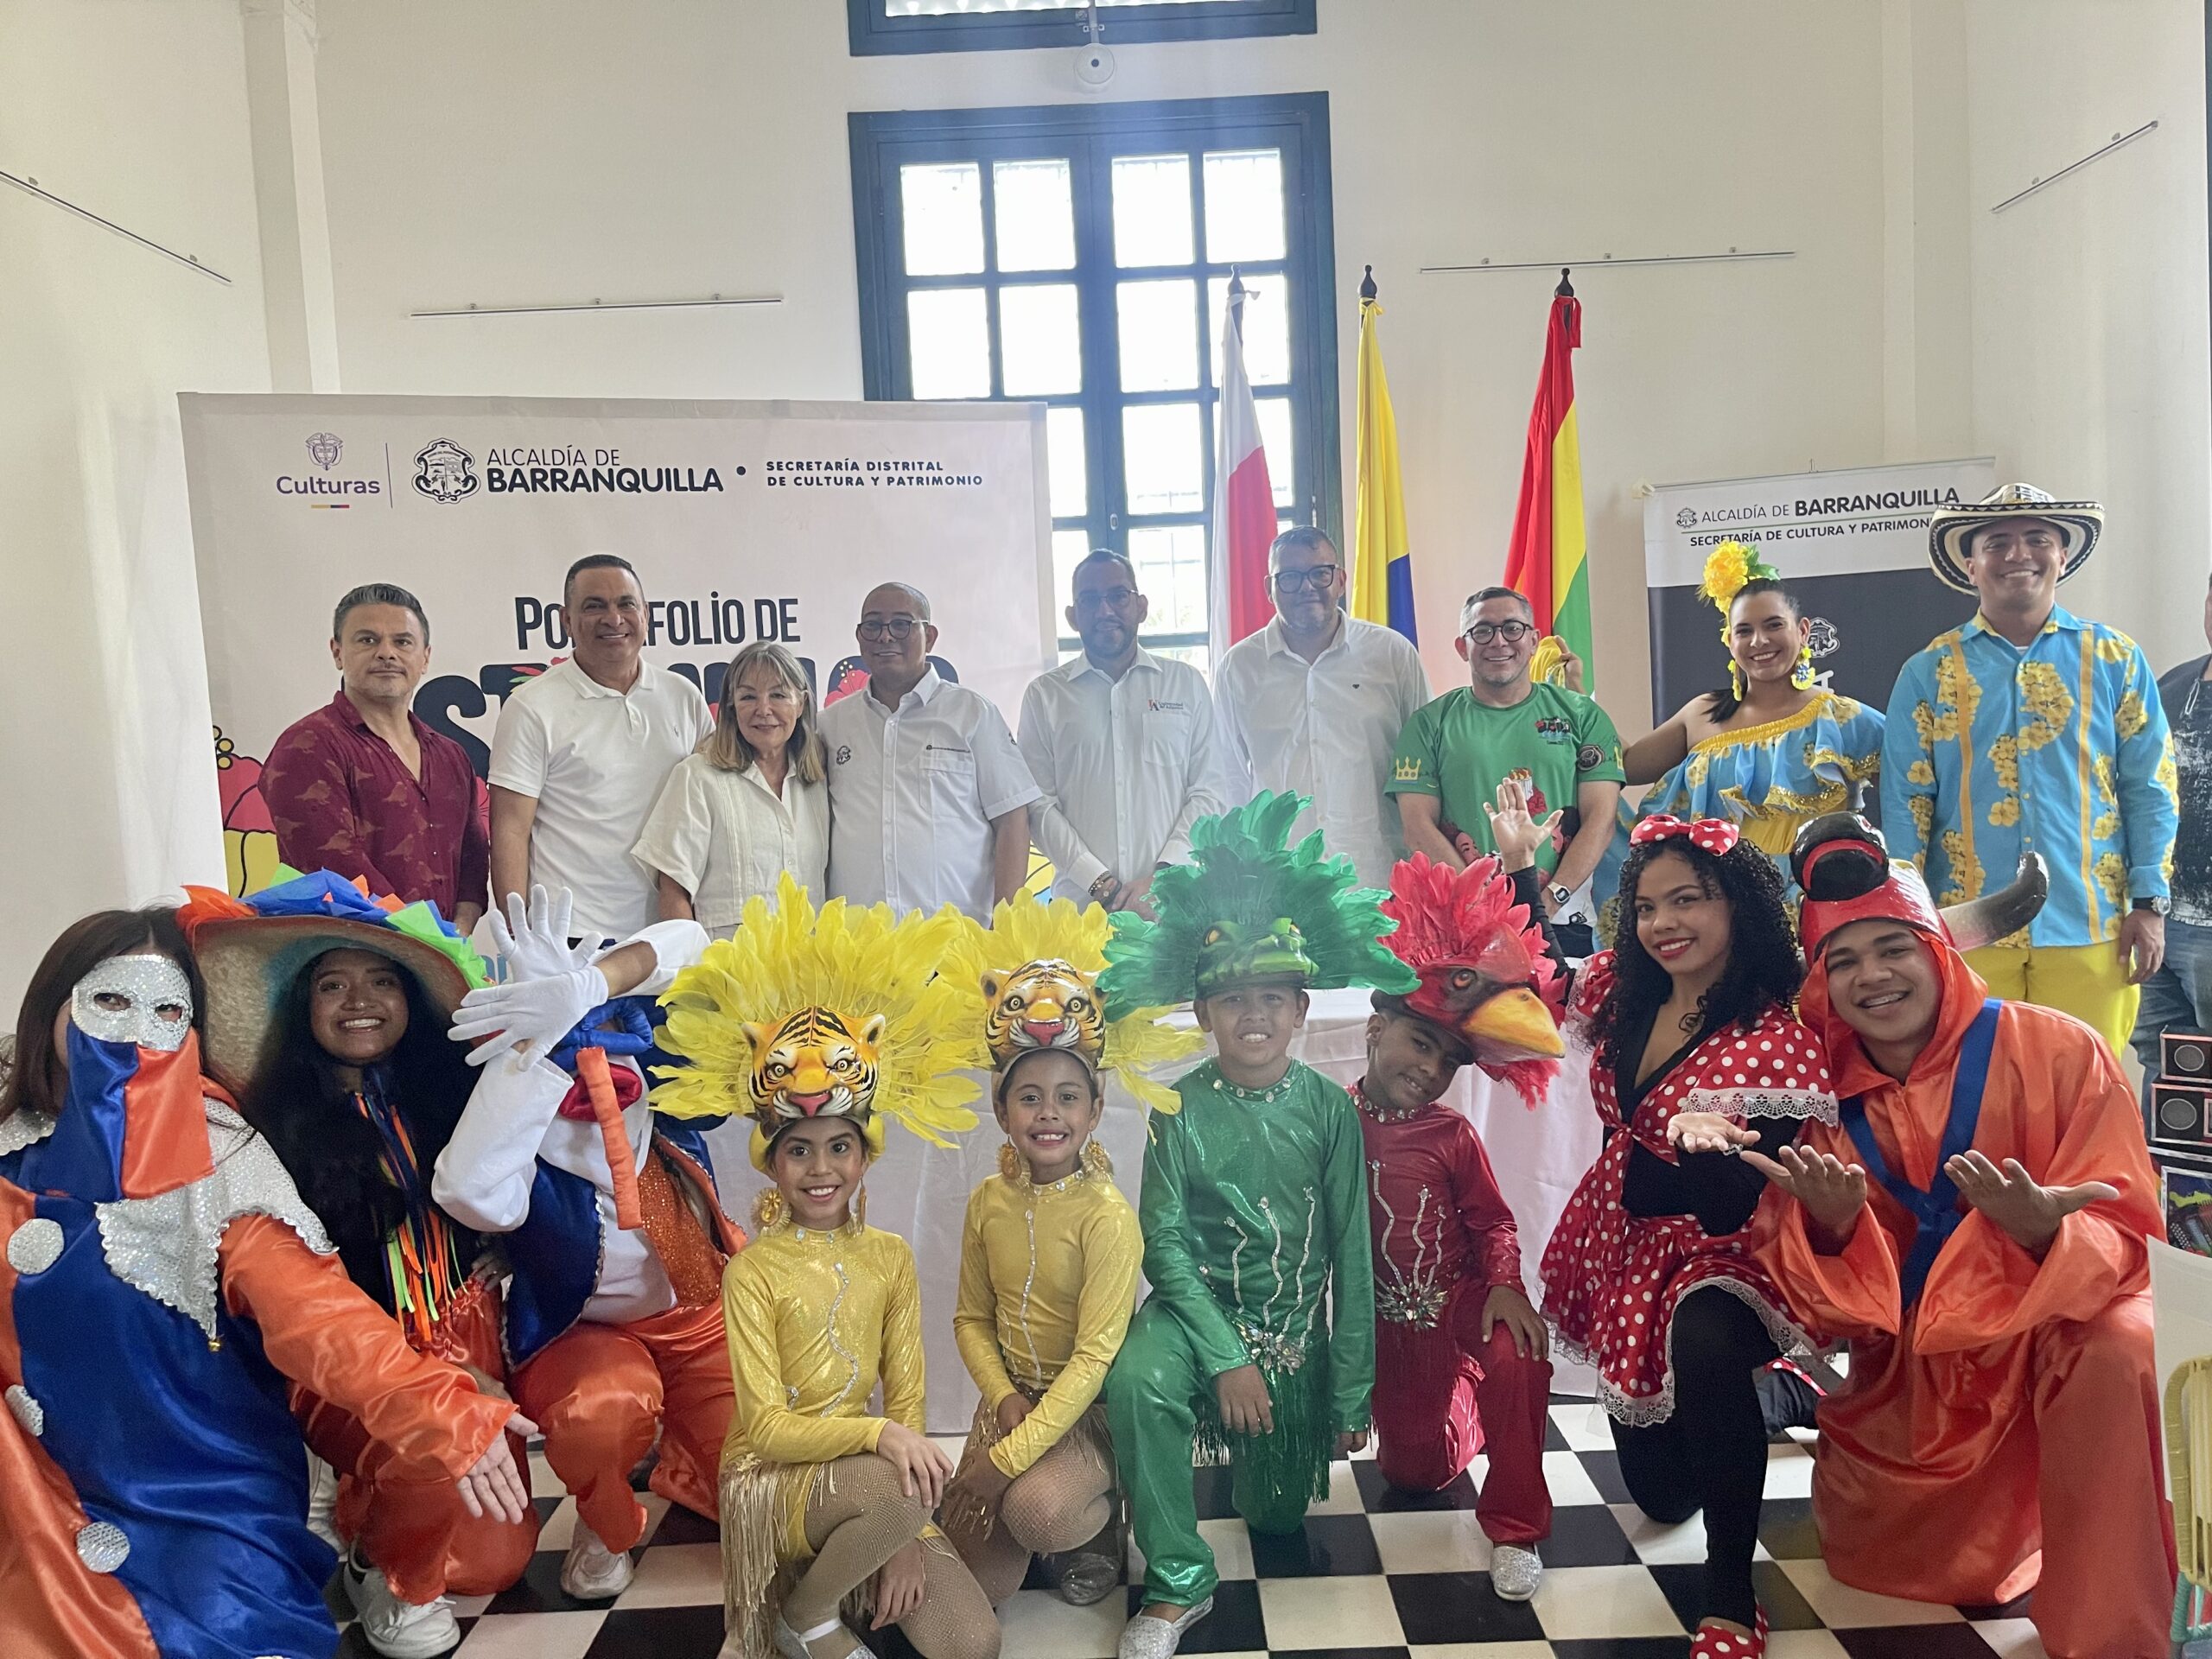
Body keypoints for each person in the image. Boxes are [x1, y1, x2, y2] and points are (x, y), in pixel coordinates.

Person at [0, 906, 531, 1659]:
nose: (132, 1030)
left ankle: (377, 1556)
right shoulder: (272, 1114)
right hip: (30, 1497)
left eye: (164, 1008)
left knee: (485, 1557)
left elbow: (312, 1309)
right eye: (110, 998)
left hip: (211, 1486)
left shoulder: (227, 1155)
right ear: (53, 1001)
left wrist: (440, 1402)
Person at [1749, 812, 2172, 1658]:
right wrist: (1832, 1232)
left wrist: (2046, 1239)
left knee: (2121, 1348)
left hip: (2052, 1330)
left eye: (1892, 948)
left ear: (1938, 951)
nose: (1872, 977)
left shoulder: (2061, 1050)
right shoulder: (1815, 1103)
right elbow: (1819, 1315)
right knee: (1883, 1561)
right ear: (1820, 985)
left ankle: (2108, 1632)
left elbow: (2132, 1244)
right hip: (1912, 1374)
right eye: (1843, 961)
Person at [186, 871, 537, 1657]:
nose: (360, 1002)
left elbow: (513, 1197)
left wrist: (504, 1252)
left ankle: (366, 1514)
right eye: (333, 985)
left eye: (382, 980)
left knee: (495, 1563)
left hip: (466, 1339)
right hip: (348, 1367)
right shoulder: (260, 1130)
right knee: (431, 1462)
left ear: (411, 997)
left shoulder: (451, 1097)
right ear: (300, 1005)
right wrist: (439, 1384)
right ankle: (387, 1571)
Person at [648, 874, 997, 1659]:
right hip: (772, 1485)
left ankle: (859, 1554)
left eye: (840, 1147)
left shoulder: (890, 1257)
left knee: (972, 1644)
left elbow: (908, 1394)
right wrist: (884, 1452)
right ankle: (802, 1615)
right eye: (798, 1150)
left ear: (864, 1156)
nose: (820, 1169)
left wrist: (900, 1537)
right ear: (771, 1163)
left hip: (869, 1486)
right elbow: (766, 1427)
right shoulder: (754, 1271)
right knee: (904, 1477)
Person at [1529, 804, 1837, 1656]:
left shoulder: (1775, 1037)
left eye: (1690, 899)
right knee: (1663, 1494)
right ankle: (1780, 1395)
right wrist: (1526, 870)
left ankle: (1733, 1596)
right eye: (1650, 905)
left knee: (1704, 1342)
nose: (1665, 923)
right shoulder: (1624, 997)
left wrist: (1701, 1150)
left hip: (1732, 1255)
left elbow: (1733, 1204)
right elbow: (1547, 972)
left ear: (1738, 901)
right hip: (1630, 1242)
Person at [1098, 791, 1399, 1659]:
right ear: (1201, 1015)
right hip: (1198, 1321)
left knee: (1275, 1517)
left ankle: (1274, 1438)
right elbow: (1164, 1244)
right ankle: (1177, 1580)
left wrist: (1347, 1391)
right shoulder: (1176, 1107)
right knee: (1137, 1376)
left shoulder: (1329, 1112)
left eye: (1273, 997)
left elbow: (1350, 1253)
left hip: (1295, 1337)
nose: (1255, 1017)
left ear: (1303, 1011)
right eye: (1233, 1001)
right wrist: (1224, 1355)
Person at [431, 887, 739, 1600]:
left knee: (767, 1485)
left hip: (698, 1312)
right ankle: (608, 1521)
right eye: (574, 1039)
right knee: (603, 1412)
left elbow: (696, 944)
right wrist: (535, 1054)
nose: (593, 1058)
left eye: (599, 1029)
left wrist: (589, 986)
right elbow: (469, 1194)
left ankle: (682, 1465)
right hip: (585, 1331)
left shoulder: (663, 1075)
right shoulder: (517, 1125)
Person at [938, 898, 1195, 1609]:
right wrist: (1003, 1401)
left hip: (1089, 1412)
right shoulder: (988, 1201)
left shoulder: (1108, 1215)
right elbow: (970, 1319)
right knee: (972, 1589)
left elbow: (1093, 1359)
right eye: (1029, 1097)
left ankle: (1101, 1521)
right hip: (1013, 1402)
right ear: (1002, 1110)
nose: (1048, 1113)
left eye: (1066, 1097)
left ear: (1092, 1107)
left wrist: (1008, 1466)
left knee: (1034, 1511)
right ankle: (1030, 1501)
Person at [1884, 482, 2178, 1057]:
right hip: (1967, 928)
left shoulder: (2115, 659)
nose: (2019, 554)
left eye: (2037, 538)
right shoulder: (1929, 671)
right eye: (1998, 542)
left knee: (2087, 1096)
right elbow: (1905, 803)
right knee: (1975, 1093)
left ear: (2062, 556)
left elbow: (2149, 788)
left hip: (2093, 926)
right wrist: (1909, 920)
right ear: (1971, 564)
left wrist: (2149, 903)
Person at [1354, 850, 1568, 1599]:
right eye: (1420, 1044)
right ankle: (1461, 1417)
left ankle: (1516, 1526)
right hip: (1378, 1325)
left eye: (1448, 1061)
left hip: (1457, 1301)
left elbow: (1493, 1222)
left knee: (1518, 1348)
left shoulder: (1451, 1134)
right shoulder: (1328, 1123)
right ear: (1378, 1027)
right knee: (1418, 1473)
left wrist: (1505, 1285)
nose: (1430, 1069)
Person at [1595, 544, 1885, 934]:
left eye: (1773, 625)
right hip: (1717, 919)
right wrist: (1580, 704)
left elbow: (1913, 793)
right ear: (1729, 641)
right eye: (1744, 630)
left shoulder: (1841, 719)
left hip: (1816, 912)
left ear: (1802, 630)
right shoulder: (1701, 713)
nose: (1759, 641)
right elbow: (1623, 766)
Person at [488, 554, 715, 942]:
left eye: (626, 604)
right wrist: (524, 937)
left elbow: (713, 806)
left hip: (671, 931)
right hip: (572, 937)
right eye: (595, 606)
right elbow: (510, 828)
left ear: (645, 613)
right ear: (566, 620)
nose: (614, 619)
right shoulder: (531, 706)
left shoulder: (682, 696)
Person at [1389, 588, 1624, 940]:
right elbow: (1418, 828)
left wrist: (1549, 900)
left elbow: (1601, 820)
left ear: (1533, 641)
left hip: (1562, 920)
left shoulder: (1583, 716)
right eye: (1482, 631)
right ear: (1461, 647)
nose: (1498, 641)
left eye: (1512, 628)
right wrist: (1480, 904)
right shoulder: (1428, 724)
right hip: (1464, 923)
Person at [264, 582, 490, 932]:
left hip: (445, 961)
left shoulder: (451, 755)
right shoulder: (307, 745)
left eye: (402, 642)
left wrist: (456, 935)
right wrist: (427, 939)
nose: (387, 653)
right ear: (337, 653)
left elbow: (473, 858)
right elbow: (334, 869)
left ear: (425, 657)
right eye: (368, 640)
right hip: (352, 958)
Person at [1213, 528, 1431, 890]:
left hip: (1379, 874)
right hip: (1279, 879)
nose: (1306, 587)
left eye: (1320, 573)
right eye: (1290, 577)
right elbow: (1228, 777)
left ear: (1341, 580)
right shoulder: (1239, 668)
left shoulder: (1392, 654)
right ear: (1270, 588)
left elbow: (1426, 763)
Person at [1019, 550, 1230, 915]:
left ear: (1141, 606)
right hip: (1079, 912)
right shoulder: (1045, 695)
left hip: (1175, 908)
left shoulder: (1186, 684)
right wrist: (1098, 882)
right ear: (1072, 616)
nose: (1105, 611)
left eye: (1118, 596)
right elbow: (1038, 804)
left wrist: (1164, 878)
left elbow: (1209, 790)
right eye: (1090, 599)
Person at [823, 582, 1039, 921]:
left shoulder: (973, 714)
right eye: (873, 625)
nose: (885, 636)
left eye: (901, 624)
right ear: (860, 637)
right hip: (860, 952)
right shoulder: (831, 724)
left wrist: (1006, 927)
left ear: (931, 636)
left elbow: (1012, 819)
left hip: (955, 945)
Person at [633, 639, 830, 939]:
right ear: (731, 705)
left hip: (808, 974)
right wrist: (699, 969)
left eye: (778, 695)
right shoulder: (698, 777)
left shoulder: (817, 782)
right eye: (748, 697)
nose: (763, 710)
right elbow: (673, 891)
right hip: (727, 975)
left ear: (801, 703)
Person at [2132, 573, 2212, 1103]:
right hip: (2159, 923)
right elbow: (2139, 793)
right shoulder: (2172, 686)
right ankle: (2161, 1185)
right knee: (2164, 1073)